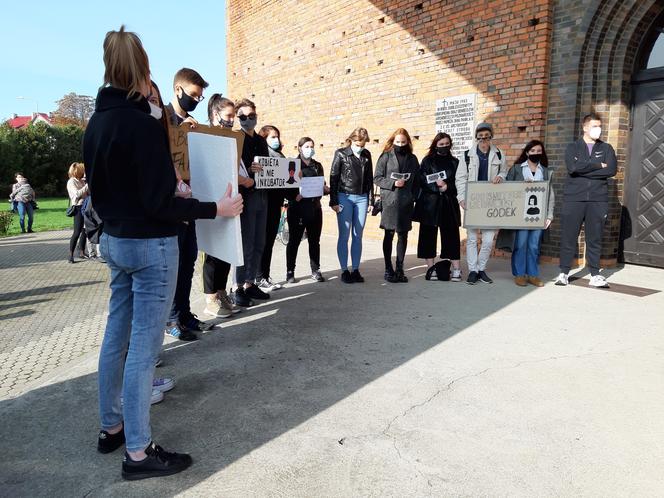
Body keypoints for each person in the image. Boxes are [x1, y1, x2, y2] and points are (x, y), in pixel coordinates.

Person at [83, 26, 242, 480]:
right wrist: (217, 207)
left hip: (115, 241)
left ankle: (110, 426)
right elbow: (160, 202)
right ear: (143, 71)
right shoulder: (143, 122)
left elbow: (121, 187)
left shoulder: (97, 122)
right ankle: (137, 452)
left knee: (116, 337)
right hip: (151, 244)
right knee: (143, 351)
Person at [163, 68, 210, 341]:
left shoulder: (194, 126)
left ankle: (183, 313)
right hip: (170, 207)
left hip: (191, 204)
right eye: (193, 95)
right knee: (173, 265)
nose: (196, 100)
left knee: (189, 261)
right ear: (178, 90)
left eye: (200, 96)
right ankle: (170, 319)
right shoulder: (162, 122)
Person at [555, 112, 617, 288]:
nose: (598, 130)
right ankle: (563, 273)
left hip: (597, 200)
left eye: (600, 126)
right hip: (574, 199)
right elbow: (573, 168)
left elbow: (611, 170)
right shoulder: (573, 147)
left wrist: (585, 168)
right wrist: (598, 165)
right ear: (585, 128)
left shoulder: (606, 148)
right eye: (594, 126)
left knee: (594, 238)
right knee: (569, 236)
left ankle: (595, 275)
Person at [201, 94, 242, 318]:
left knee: (226, 250)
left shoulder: (231, 138)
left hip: (230, 201)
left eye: (233, 116)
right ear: (216, 114)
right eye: (228, 116)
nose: (231, 120)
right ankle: (210, 298)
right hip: (211, 201)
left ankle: (221, 291)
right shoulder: (203, 134)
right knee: (212, 252)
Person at [497, 140, 555, 287]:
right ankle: (519, 274)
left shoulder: (545, 171)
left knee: (534, 246)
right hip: (520, 215)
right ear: (527, 152)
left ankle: (533, 275)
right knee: (521, 244)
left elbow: (550, 195)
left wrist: (549, 215)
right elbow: (507, 189)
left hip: (538, 215)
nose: (536, 153)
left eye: (539, 151)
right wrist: (520, 186)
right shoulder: (517, 169)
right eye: (533, 151)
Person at [456, 122, 507, 285]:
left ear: (491, 137)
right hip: (472, 200)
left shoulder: (499, 154)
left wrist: (502, 177)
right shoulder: (466, 155)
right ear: (476, 137)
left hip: (491, 200)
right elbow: (461, 178)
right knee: (471, 238)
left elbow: (504, 171)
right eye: (480, 137)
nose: (483, 140)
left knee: (487, 239)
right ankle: (472, 270)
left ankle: (481, 269)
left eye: (487, 137)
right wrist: (461, 198)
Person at [233, 98, 271, 306]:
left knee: (259, 241)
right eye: (243, 117)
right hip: (245, 195)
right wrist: (250, 166)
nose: (248, 120)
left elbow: (268, 166)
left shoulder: (261, 140)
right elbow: (233, 166)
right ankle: (238, 286)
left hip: (262, 194)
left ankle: (251, 282)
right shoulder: (236, 138)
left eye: (252, 116)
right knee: (246, 243)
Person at [413, 132, 462, 282]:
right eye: (441, 144)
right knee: (428, 236)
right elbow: (421, 180)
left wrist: (446, 187)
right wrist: (437, 188)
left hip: (448, 203)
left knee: (452, 236)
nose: (444, 147)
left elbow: (460, 182)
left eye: (447, 144)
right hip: (430, 204)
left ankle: (456, 269)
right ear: (435, 145)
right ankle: (430, 268)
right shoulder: (427, 161)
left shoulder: (456, 162)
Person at [373, 128, 419, 283]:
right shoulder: (385, 157)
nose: (400, 144)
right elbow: (377, 178)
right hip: (390, 201)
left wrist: (413, 196)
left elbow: (417, 181)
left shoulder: (412, 159)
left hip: (406, 203)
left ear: (408, 142)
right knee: (389, 234)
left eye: (403, 142)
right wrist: (393, 183)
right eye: (398, 142)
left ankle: (400, 269)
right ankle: (388, 269)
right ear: (393, 142)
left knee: (403, 235)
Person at [329, 127, 374, 283]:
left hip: (362, 198)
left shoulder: (367, 155)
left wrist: (371, 201)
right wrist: (333, 201)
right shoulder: (341, 153)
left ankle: (355, 269)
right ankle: (344, 270)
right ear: (351, 140)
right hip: (344, 196)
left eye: (362, 145)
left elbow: (370, 178)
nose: (360, 147)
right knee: (344, 234)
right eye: (357, 144)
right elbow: (333, 177)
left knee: (358, 234)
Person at [285, 137, 329, 283]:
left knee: (314, 241)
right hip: (297, 209)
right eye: (307, 146)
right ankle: (290, 271)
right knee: (294, 241)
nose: (310, 149)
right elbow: (286, 186)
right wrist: (293, 195)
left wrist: (324, 189)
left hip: (314, 207)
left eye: (312, 146)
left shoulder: (317, 166)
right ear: (299, 148)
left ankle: (315, 270)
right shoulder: (292, 165)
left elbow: (322, 184)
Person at [256, 124, 286, 292]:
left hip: (276, 204)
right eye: (272, 137)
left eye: (277, 136)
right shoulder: (262, 156)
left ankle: (264, 276)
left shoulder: (281, 156)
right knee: (262, 242)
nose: (276, 140)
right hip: (264, 203)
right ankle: (259, 277)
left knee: (269, 243)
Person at [66, 162, 89, 263]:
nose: (83, 172)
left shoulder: (81, 181)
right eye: (81, 171)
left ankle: (82, 252)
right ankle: (70, 254)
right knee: (77, 231)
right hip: (78, 208)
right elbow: (77, 194)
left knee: (85, 230)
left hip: (86, 206)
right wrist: (87, 186)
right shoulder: (71, 182)